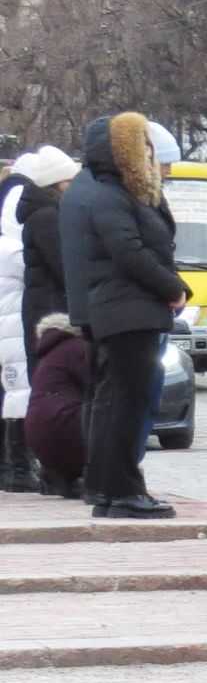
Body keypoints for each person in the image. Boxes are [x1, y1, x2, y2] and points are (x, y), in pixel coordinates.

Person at [59, 113, 185, 520]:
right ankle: (124, 491)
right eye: (143, 145)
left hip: (127, 309)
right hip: (128, 311)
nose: (150, 153)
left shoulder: (122, 193)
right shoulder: (111, 195)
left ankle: (114, 489)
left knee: (119, 403)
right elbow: (129, 252)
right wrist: (173, 288)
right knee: (126, 405)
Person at [0, 143, 77, 492]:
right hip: (33, 313)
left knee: (28, 388)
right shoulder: (45, 218)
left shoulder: (38, 216)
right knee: (28, 389)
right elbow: (63, 266)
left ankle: (27, 465)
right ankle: (25, 466)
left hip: (26, 311)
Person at [23, 313, 89, 495]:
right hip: (67, 429)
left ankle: (60, 479)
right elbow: (97, 387)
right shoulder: (76, 348)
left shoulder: (46, 355)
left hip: (36, 436)